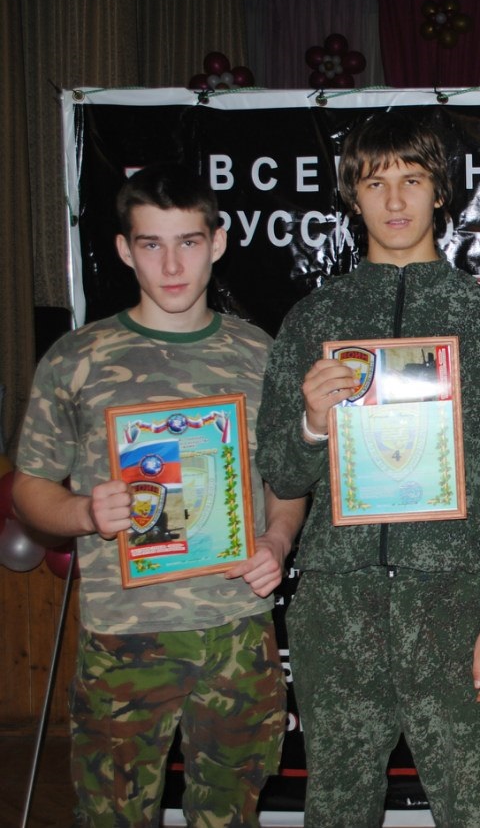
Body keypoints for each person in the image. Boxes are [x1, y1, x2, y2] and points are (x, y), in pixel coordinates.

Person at [255, 111, 480, 828]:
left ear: (439, 192)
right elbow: (281, 474)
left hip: (454, 607)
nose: (394, 200)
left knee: (468, 813)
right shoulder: (315, 320)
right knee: (336, 809)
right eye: (374, 182)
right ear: (351, 196)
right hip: (339, 607)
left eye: (412, 180)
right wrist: (311, 423)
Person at [12, 163, 303, 827]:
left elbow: (284, 483)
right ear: (124, 249)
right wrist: (84, 511)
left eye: (188, 242)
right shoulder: (78, 358)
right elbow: (29, 488)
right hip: (124, 640)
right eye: (151, 244)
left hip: (236, 632)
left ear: (217, 242)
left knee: (230, 816)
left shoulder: (259, 354)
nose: (172, 265)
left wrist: (278, 539)